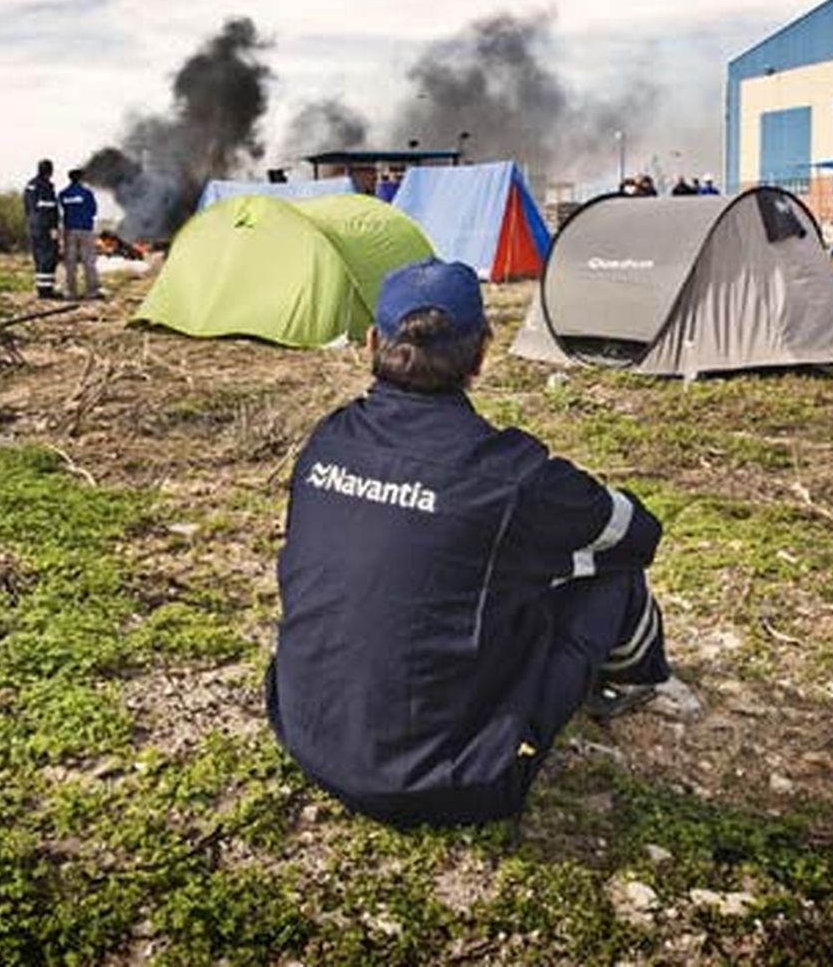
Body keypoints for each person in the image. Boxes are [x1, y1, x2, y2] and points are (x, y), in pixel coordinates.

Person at [267, 258, 694, 827]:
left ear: (372, 343)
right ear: (482, 355)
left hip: (302, 732)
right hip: (451, 784)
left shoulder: (329, 439)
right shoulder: (512, 477)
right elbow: (637, 535)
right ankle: (635, 678)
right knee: (610, 572)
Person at [57, 168, 101, 300]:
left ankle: (71, 292)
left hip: (70, 230)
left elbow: (62, 210)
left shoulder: (63, 194)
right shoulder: (87, 193)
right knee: (88, 261)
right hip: (86, 230)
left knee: (70, 262)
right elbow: (94, 211)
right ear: (81, 178)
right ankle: (91, 292)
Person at [22, 160, 61, 298]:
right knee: (49, 256)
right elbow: (50, 210)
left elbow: (27, 207)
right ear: (49, 171)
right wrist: (54, 228)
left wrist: (31, 221)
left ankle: (41, 288)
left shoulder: (30, 185)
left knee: (38, 256)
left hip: (33, 226)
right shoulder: (45, 187)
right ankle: (46, 290)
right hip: (46, 228)